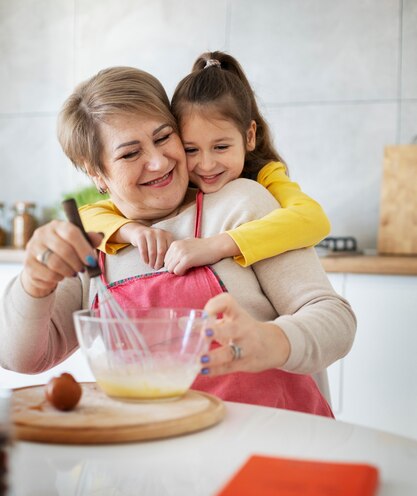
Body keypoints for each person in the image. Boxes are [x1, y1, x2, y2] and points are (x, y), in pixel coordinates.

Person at [0, 66, 356, 417]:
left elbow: (335, 321)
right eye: (130, 153)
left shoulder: (241, 203)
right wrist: (34, 283)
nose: (158, 162)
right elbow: (22, 357)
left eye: (163, 137)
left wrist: (274, 341)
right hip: (152, 457)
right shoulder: (93, 243)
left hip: (268, 449)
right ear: (96, 172)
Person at [79, 51, 330, 274]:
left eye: (221, 147)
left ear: (249, 136)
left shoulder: (264, 175)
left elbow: (313, 219)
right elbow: (85, 216)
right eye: (191, 149)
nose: (206, 164)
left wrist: (217, 246)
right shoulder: (179, 184)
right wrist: (131, 231)